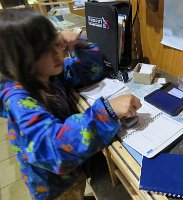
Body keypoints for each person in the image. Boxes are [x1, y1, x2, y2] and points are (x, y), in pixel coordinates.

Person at [0, 8, 141, 200]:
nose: (58, 54)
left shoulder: (46, 72)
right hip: (54, 185)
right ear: (21, 59)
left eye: (56, 44)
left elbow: (91, 70)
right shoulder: (19, 101)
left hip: (73, 170)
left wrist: (77, 44)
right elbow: (55, 149)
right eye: (45, 50)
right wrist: (107, 112)